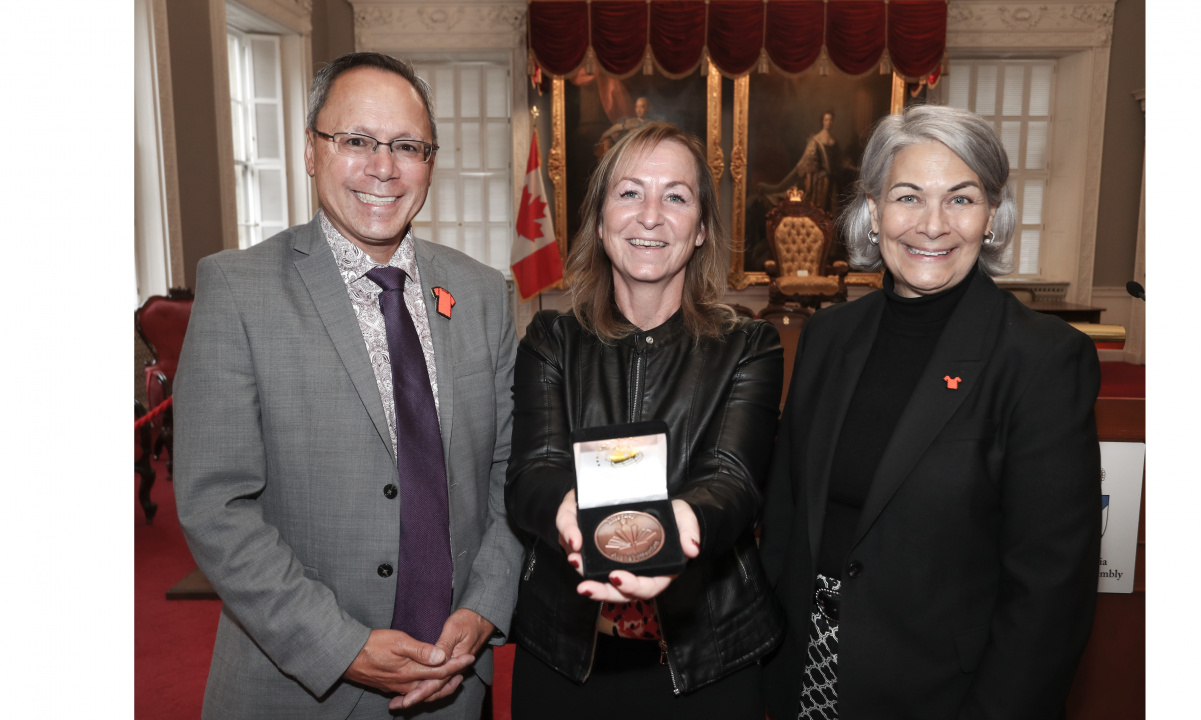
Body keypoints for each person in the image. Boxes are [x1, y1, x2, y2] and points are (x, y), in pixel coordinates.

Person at [174, 52, 522, 719]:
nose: (383, 167)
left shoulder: (481, 293)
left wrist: (482, 609)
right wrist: (343, 647)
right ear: (310, 150)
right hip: (301, 689)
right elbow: (217, 507)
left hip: (456, 682)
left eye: (407, 146)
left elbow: (510, 475)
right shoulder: (237, 290)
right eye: (355, 140)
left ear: (431, 160)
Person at [759, 104, 1101, 719]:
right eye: (909, 197)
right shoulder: (828, 336)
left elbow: (1049, 596)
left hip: (941, 695)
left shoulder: (1043, 360)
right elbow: (784, 517)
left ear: (993, 216)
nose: (932, 225)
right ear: (873, 209)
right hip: (802, 672)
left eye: (961, 199)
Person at [505, 122, 786, 719]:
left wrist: (672, 535)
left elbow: (732, 479)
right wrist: (571, 519)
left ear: (702, 227)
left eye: (676, 197)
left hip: (707, 661)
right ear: (601, 220)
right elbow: (533, 471)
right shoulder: (550, 339)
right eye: (629, 193)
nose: (651, 216)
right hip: (565, 659)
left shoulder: (750, 344)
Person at [759, 110, 852, 214]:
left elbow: (839, 160)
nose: (828, 122)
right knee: (818, 212)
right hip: (819, 183)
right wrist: (809, 181)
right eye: (826, 120)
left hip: (832, 182)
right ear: (822, 121)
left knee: (831, 212)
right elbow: (809, 163)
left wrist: (851, 167)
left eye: (830, 120)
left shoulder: (834, 141)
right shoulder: (816, 140)